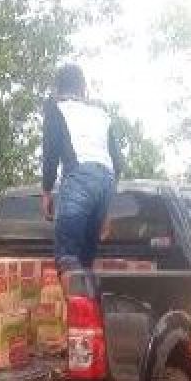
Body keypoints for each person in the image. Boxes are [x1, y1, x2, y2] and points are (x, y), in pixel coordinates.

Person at [41, 64, 125, 272]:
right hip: (106, 178)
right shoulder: (100, 113)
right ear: (82, 88)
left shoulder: (56, 107)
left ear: (57, 88)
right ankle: (88, 304)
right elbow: (118, 163)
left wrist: (46, 191)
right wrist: (104, 209)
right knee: (85, 262)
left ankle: (74, 304)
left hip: (79, 177)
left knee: (67, 258)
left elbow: (51, 152)